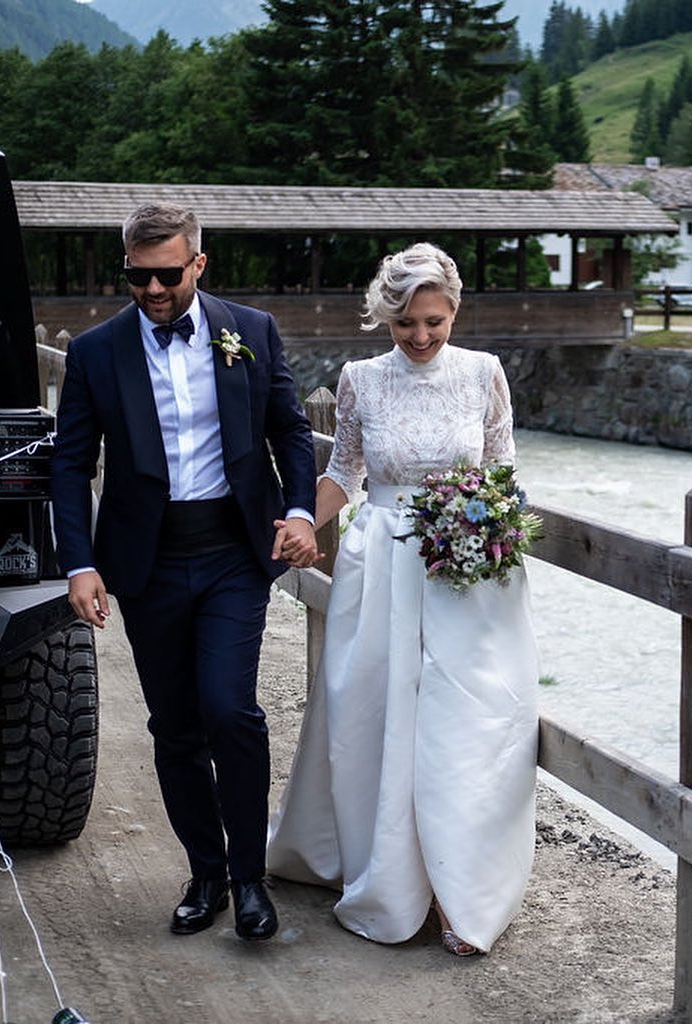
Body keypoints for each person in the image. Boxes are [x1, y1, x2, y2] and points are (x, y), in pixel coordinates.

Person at [51, 202, 319, 942]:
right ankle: (207, 874)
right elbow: (70, 465)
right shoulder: (97, 352)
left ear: (198, 264)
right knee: (174, 725)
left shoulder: (251, 331)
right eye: (137, 277)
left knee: (229, 710)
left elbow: (290, 431)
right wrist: (79, 563)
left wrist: (301, 512)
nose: (152, 290)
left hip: (234, 551)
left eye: (167, 275)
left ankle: (250, 878)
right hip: (149, 561)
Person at [266, 243, 540, 957]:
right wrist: (303, 522)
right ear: (385, 318)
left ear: (454, 313)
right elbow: (344, 473)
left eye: (434, 323)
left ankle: (457, 893)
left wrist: (491, 535)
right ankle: (387, 875)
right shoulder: (361, 379)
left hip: (464, 573)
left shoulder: (483, 373)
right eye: (406, 324)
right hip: (382, 564)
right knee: (374, 717)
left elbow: (503, 474)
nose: (420, 337)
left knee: (463, 725)